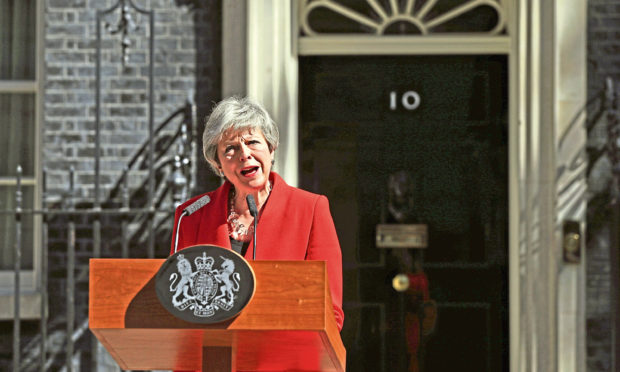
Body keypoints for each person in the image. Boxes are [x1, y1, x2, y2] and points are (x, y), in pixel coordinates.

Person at [170, 96, 344, 331]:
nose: (244, 154)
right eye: (230, 148)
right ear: (218, 165)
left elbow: (329, 311)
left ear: (271, 149)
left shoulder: (310, 209)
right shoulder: (191, 215)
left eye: (252, 142)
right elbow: (176, 306)